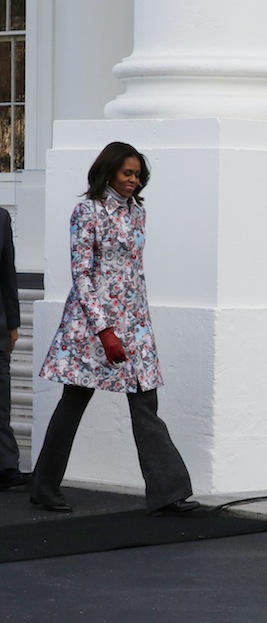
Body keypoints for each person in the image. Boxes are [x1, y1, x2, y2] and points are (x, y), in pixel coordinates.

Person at [29, 142, 199, 516]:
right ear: (108, 172)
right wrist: (104, 329)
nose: (133, 181)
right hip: (91, 325)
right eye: (127, 174)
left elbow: (133, 272)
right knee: (73, 403)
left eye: (138, 175)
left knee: (145, 403)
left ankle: (168, 491)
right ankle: (43, 487)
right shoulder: (86, 211)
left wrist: (133, 324)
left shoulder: (138, 212)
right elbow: (83, 275)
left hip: (134, 322)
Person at [0, 207, 28, 491]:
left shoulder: (2, 218)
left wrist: (13, 322)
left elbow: (7, 273)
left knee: (1, 401)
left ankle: (6, 467)